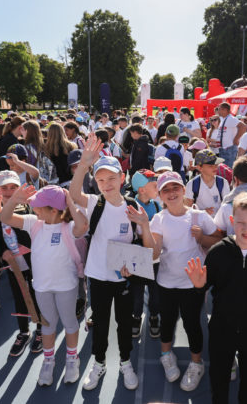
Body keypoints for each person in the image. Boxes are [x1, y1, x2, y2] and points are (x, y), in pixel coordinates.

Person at [186, 192, 247, 404]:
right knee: (218, 381)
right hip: (223, 330)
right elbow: (204, 291)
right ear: (232, 221)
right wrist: (199, 286)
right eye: (241, 223)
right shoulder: (218, 252)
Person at [134, 171, 220, 392]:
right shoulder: (158, 219)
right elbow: (153, 253)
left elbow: (217, 242)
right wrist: (144, 225)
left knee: (192, 323)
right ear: (160, 195)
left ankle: (196, 363)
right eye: (166, 190)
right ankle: (166, 354)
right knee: (167, 321)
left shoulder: (199, 216)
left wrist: (202, 238)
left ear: (183, 190)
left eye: (175, 188)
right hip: (166, 282)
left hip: (193, 284)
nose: (171, 193)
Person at [69, 137, 141, 391]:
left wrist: (132, 267)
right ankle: (98, 363)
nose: (106, 184)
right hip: (98, 276)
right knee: (99, 322)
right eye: (100, 180)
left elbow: (140, 244)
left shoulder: (132, 206)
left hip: (123, 278)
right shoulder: (93, 203)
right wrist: (83, 166)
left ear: (122, 178)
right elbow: (73, 193)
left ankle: (125, 361)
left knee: (124, 322)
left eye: (111, 178)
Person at [0, 184, 88, 386]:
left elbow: (82, 227)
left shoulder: (68, 227)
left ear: (54, 210)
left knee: (70, 323)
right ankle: (49, 361)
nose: (34, 209)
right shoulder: (33, 223)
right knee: (47, 325)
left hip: (66, 285)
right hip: (41, 287)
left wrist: (70, 202)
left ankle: (72, 359)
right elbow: (5, 217)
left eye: (39, 206)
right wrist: (14, 199)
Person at [0, 170, 43, 357]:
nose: (9, 192)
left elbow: (30, 230)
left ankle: (41, 330)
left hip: (33, 262)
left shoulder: (26, 207)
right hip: (12, 264)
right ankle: (24, 331)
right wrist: (3, 253)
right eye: (5, 188)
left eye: (13, 187)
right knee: (19, 296)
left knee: (36, 294)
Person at [129, 169, 161, 338]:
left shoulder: (157, 205)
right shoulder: (131, 205)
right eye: (154, 185)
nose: (158, 187)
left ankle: (154, 316)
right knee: (137, 292)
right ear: (142, 190)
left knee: (155, 292)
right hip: (137, 255)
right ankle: (136, 317)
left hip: (155, 256)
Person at [185, 149, 229, 218]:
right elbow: (187, 209)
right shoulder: (191, 185)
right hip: (200, 223)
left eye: (216, 164)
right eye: (210, 166)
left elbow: (227, 206)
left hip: (219, 223)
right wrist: (202, 212)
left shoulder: (223, 182)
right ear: (199, 168)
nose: (215, 167)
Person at [210, 103, 246, 168]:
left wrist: (236, 139)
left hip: (229, 149)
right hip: (224, 149)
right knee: (224, 170)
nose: (218, 111)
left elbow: (243, 126)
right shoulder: (223, 119)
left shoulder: (230, 119)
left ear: (225, 110)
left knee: (228, 170)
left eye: (219, 109)